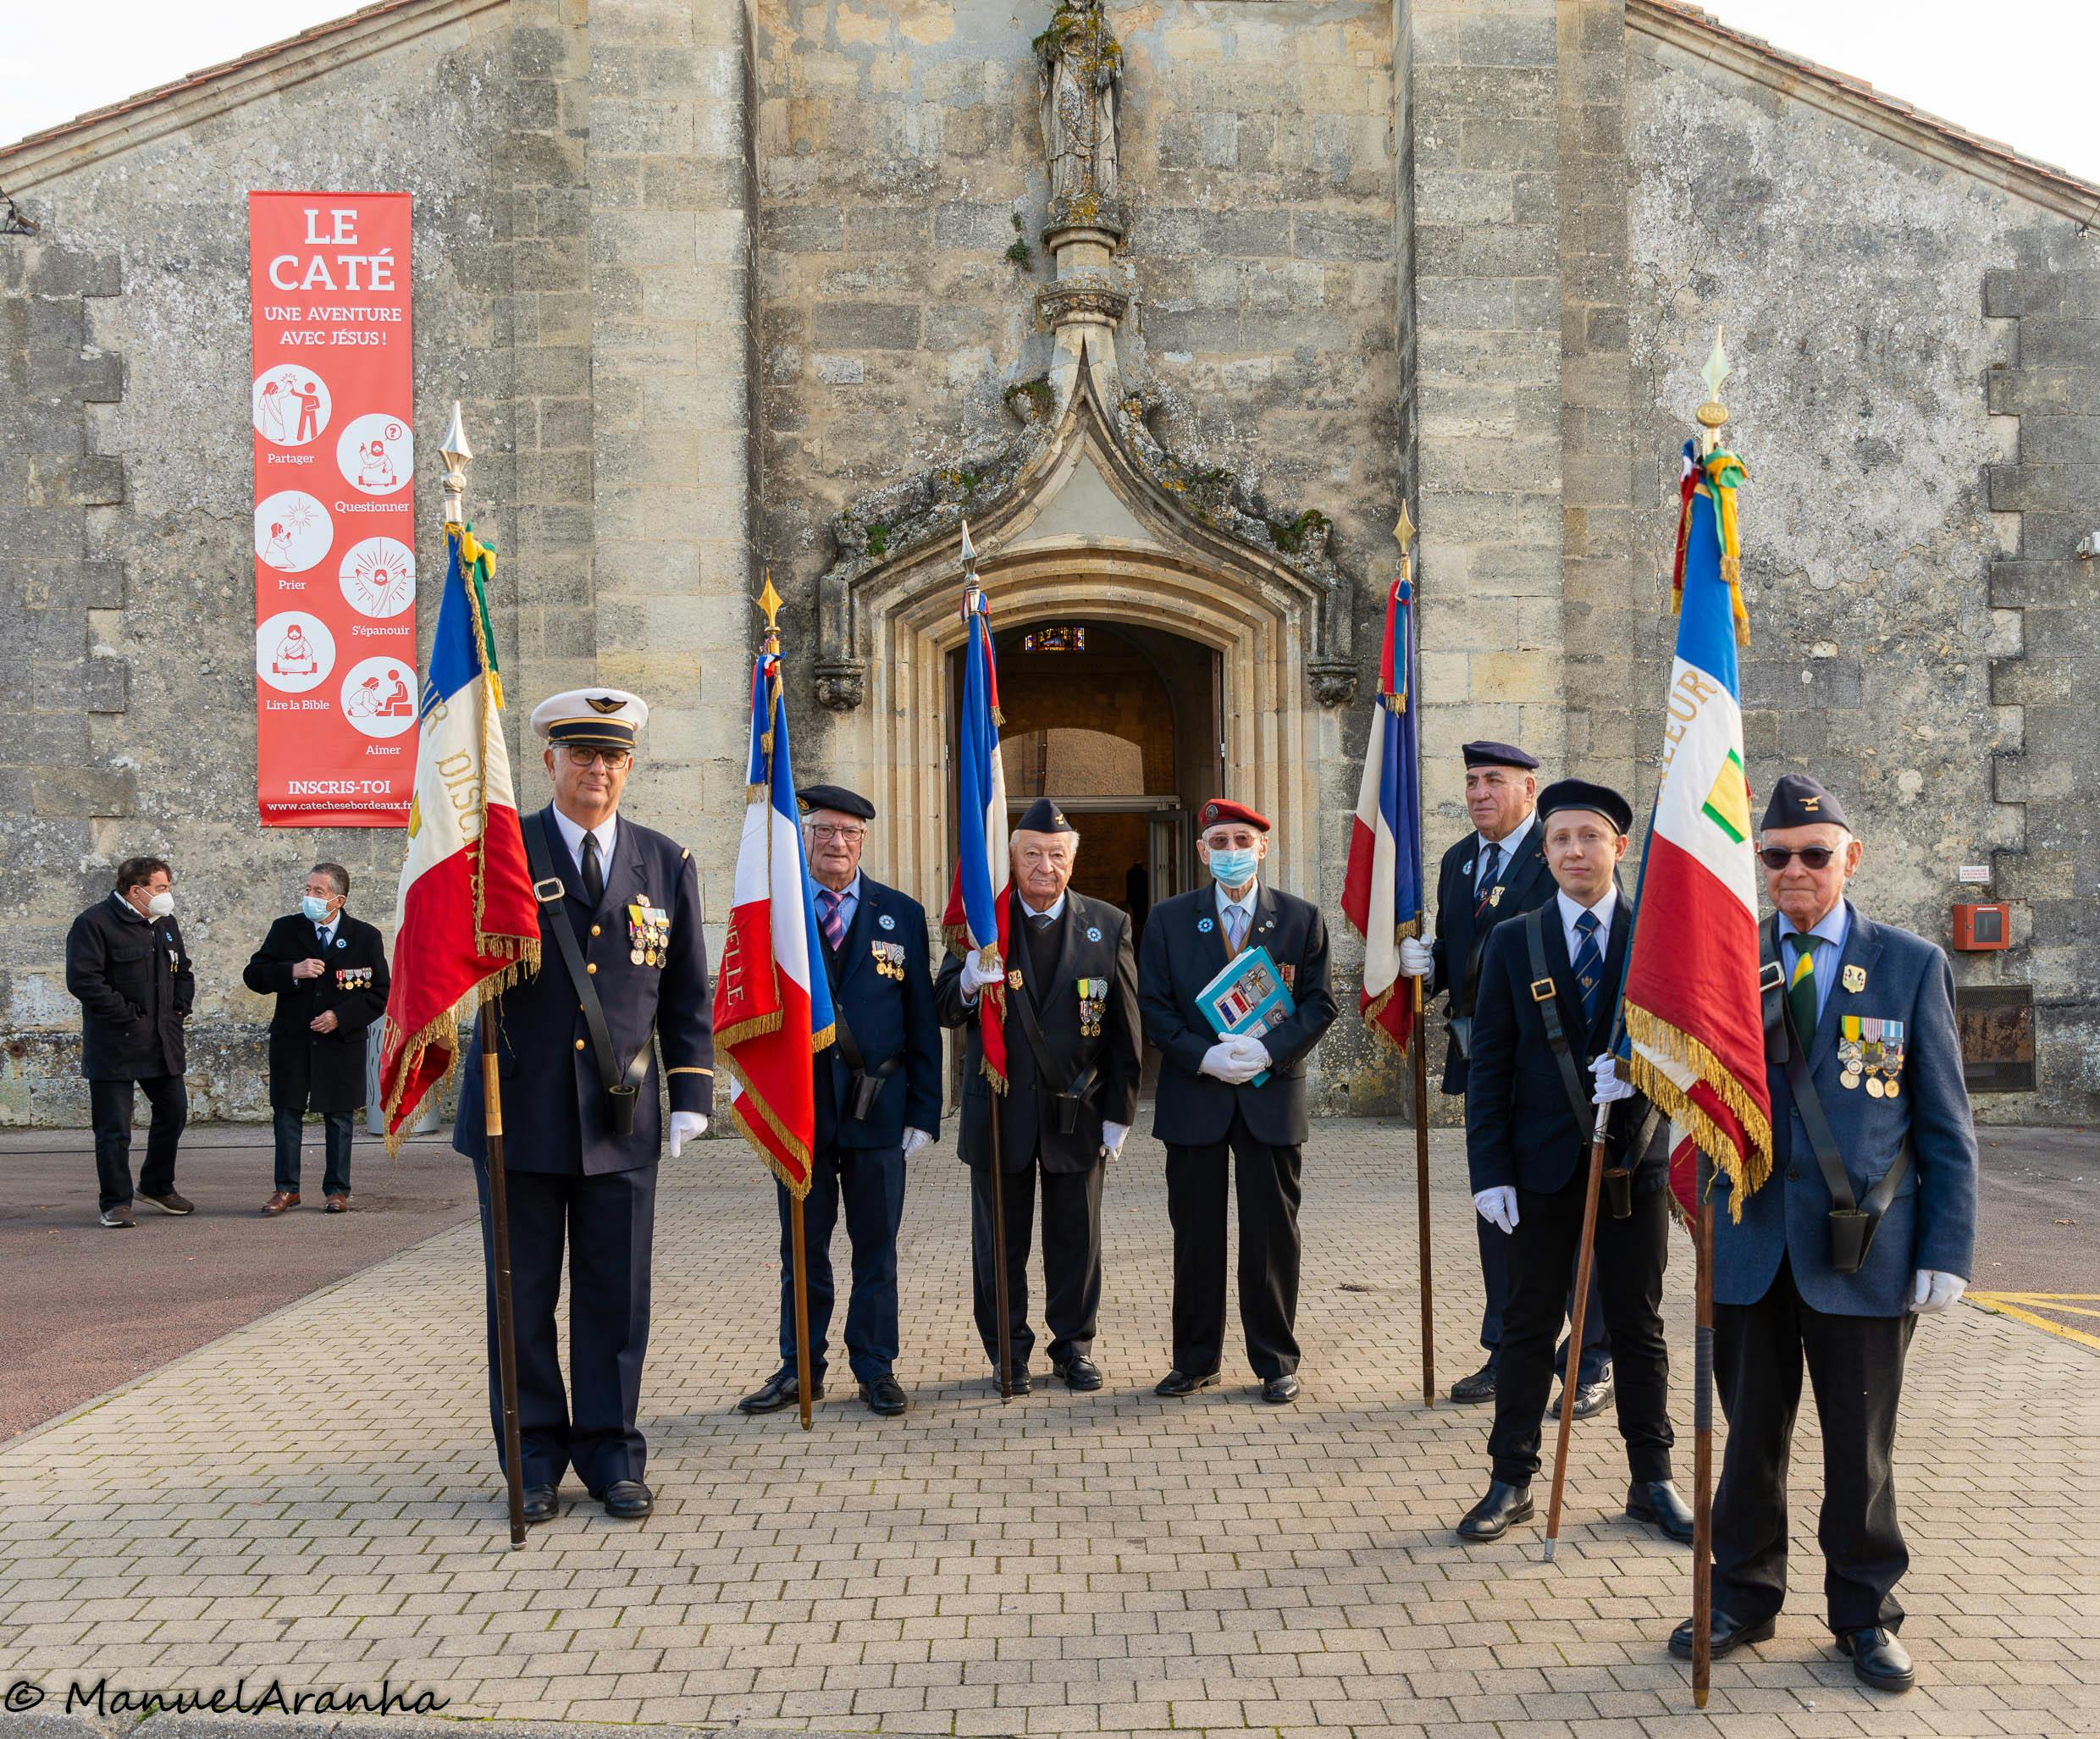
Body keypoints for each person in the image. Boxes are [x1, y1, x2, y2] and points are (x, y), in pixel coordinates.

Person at [1670, 775, 1977, 1693]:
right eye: (1775, 855)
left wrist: (1946, 1247)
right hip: (1750, 1241)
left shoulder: (1908, 964)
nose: (1793, 869)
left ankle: (1865, 1613)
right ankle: (1742, 1596)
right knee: (1748, 1442)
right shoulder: (1727, 957)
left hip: (1864, 1248)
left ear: (1851, 858)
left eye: (1814, 852)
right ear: (1758, 864)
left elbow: (1944, 1122)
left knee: (1860, 1449)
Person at [453, 688, 714, 1526]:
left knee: (615, 1298)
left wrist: (692, 1091)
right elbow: (453, 961)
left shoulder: (664, 860)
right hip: (518, 1111)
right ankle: (531, 1460)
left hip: (620, 1115)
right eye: (581, 754)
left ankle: (612, 1456)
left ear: (628, 767)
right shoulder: (498, 853)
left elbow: (686, 990)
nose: (597, 769)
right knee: (521, 1300)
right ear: (549, 762)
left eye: (612, 756)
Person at [1456, 778, 1690, 1546]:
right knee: (1526, 1326)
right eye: (1560, 839)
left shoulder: (1655, 937)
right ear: (1545, 851)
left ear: (1619, 846)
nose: (1574, 851)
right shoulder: (1513, 940)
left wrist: (1643, 1074)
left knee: (1638, 1326)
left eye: (1589, 837)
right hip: (1536, 1171)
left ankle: (1652, 1479)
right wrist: (1489, 1172)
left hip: (1633, 1163)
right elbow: (1489, 1068)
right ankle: (1511, 1480)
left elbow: (1692, 1048)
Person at [1400, 741, 1611, 1412]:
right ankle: (1507, 1347)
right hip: (1487, 1061)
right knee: (1500, 1210)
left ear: (1528, 790)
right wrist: (1428, 966)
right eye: (1471, 781)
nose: (1479, 792)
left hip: (1557, 1068)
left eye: (1494, 780)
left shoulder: (1556, 855)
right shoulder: (1458, 860)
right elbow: (1465, 957)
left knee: (1577, 1215)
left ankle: (1591, 1356)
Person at [738, 784, 942, 1421]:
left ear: (863, 841)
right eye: (824, 831)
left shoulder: (901, 913)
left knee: (877, 1248)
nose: (837, 843)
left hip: (878, 1109)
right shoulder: (778, 911)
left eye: (849, 833)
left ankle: (876, 1367)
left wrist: (924, 1113)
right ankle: (800, 1367)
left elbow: (922, 1022)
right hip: (799, 1111)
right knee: (802, 1249)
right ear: (804, 838)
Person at [934, 798, 1141, 1393]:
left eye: (1055, 855)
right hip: (1000, 1110)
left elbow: (1127, 1027)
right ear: (1011, 859)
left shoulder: (1110, 924)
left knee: (1077, 1239)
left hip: (1078, 1111)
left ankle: (1073, 1348)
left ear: (1072, 861)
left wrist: (1121, 1113)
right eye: (1031, 855)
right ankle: (1008, 1351)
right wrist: (968, 980)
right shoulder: (982, 924)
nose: (1044, 867)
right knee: (999, 1244)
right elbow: (943, 1008)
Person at [1139, 798, 1338, 1404]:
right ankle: (1195, 1360)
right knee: (1196, 1235)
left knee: (1272, 1234)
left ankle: (1275, 1360)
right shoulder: (1169, 919)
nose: (1231, 852)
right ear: (1202, 852)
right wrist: (1205, 1057)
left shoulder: (1300, 919)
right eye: (1220, 842)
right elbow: (1153, 1008)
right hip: (1196, 1095)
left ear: (1263, 848)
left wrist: (1268, 1052)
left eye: (1242, 841)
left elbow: (1320, 1003)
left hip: (1269, 1097)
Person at [244, 863, 390, 1214]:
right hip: (293, 1040)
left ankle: (337, 1190)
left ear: (338, 900)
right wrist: (291, 971)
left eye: (318, 891)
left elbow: (379, 993)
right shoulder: (286, 929)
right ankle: (286, 1189)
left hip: (340, 1042)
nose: (309, 896)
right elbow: (254, 975)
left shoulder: (365, 936)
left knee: (339, 1117)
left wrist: (340, 1017)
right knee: (287, 1113)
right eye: (307, 889)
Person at [65, 857, 195, 1228]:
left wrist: (179, 1008)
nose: (167, 894)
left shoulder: (165, 923)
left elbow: (182, 970)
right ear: (136, 891)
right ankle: (115, 1202)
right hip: (115, 1044)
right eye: (161, 888)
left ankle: (156, 1185)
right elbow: (84, 981)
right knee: (114, 1129)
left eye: (168, 887)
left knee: (174, 1111)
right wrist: (129, 1015)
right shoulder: (94, 923)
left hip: (162, 1041)